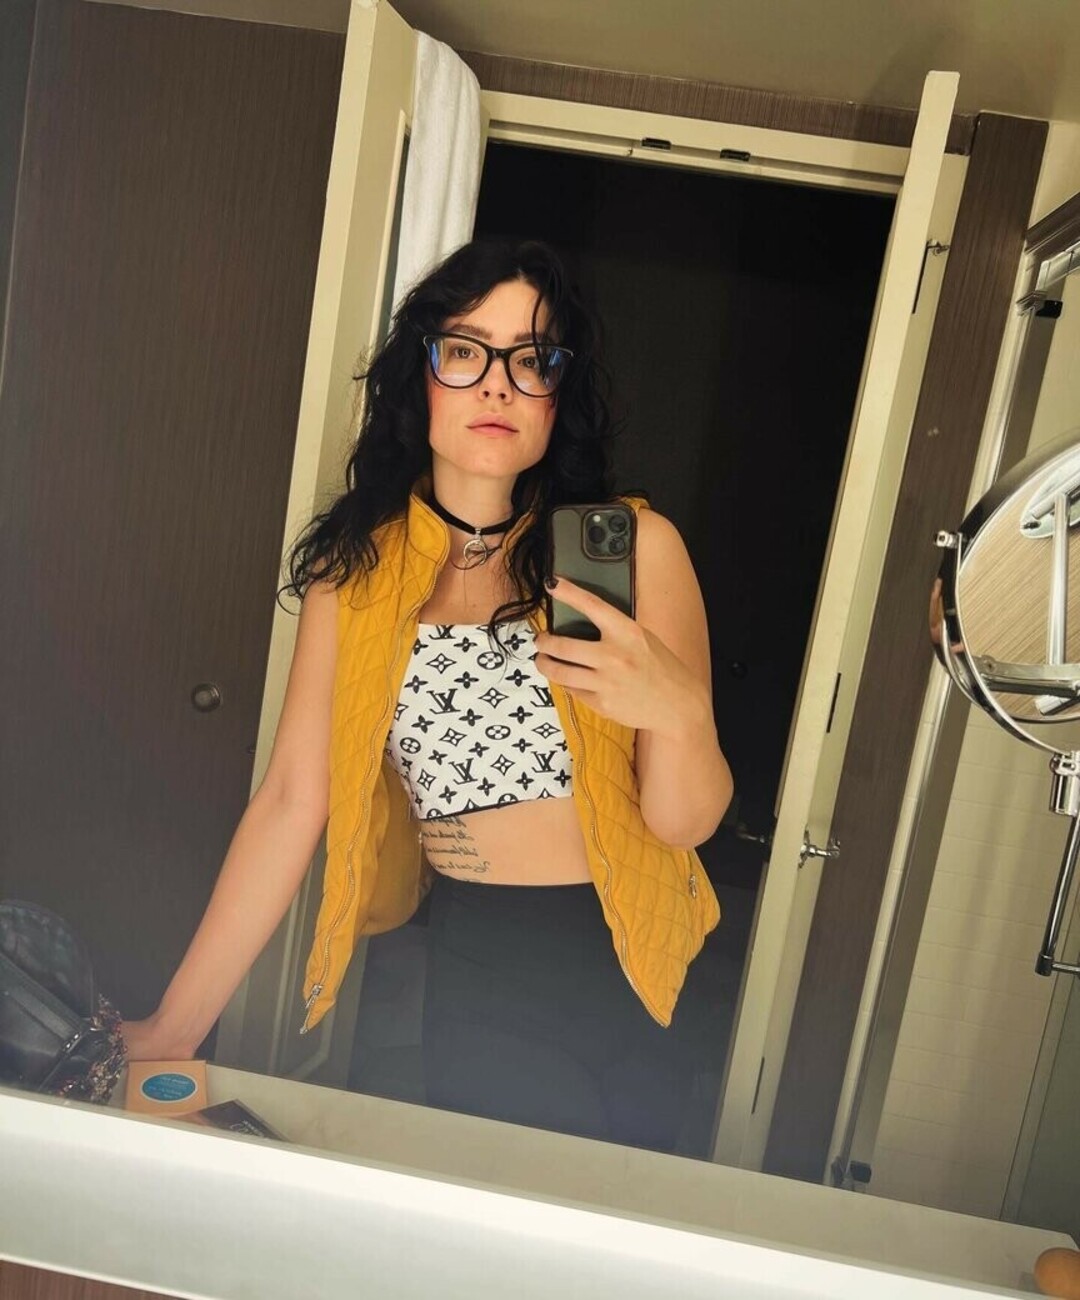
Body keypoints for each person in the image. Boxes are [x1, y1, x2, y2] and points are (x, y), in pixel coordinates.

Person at [122, 238, 733, 1152]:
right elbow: (292, 800)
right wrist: (175, 1027)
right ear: (424, 376)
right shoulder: (358, 576)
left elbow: (684, 821)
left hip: (636, 962)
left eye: (530, 361)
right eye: (465, 351)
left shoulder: (627, 550)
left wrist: (679, 710)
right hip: (477, 960)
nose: (497, 386)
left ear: (558, 394)